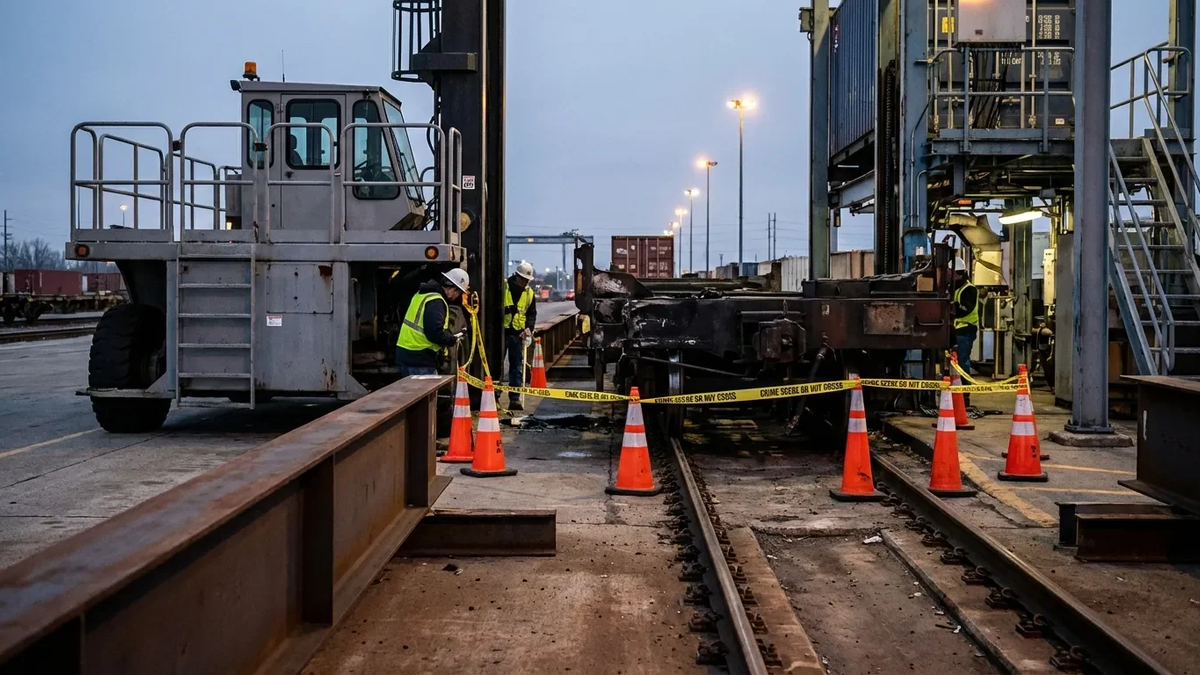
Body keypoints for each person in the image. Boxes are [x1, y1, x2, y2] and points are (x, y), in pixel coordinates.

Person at [395, 269, 470, 377]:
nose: (457, 296)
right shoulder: (436, 301)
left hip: (409, 354)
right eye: (459, 292)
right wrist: (451, 339)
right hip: (420, 358)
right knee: (426, 392)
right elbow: (433, 332)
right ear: (452, 290)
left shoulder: (423, 294)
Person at [503, 262, 538, 410]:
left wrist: (529, 328)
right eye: (523, 279)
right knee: (497, 367)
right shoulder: (504, 287)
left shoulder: (529, 293)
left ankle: (515, 398)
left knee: (516, 366)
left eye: (527, 280)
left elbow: (531, 314)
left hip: (518, 334)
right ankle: (495, 397)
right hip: (502, 332)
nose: (524, 283)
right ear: (516, 277)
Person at [952, 257, 979, 400]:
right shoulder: (955, 288)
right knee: (953, 361)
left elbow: (965, 309)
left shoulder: (969, 290)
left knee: (962, 361)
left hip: (966, 330)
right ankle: (956, 391)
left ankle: (965, 393)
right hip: (956, 330)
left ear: (960, 274)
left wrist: (952, 306)